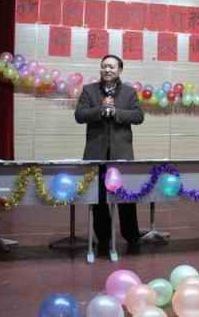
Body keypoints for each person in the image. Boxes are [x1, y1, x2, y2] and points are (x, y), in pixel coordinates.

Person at [75, 54, 145, 254]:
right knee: (99, 198)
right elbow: (79, 115)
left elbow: (139, 116)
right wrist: (100, 109)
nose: (107, 70)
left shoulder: (129, 92)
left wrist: (116, 112)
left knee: (126, 196)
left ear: (119, 70)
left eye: (112, 67)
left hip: (121, 154)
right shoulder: (89, 90)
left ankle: (131, 235)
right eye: (104, 66)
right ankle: (104, 238)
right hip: (95, 153)